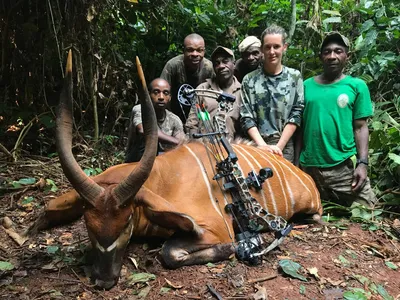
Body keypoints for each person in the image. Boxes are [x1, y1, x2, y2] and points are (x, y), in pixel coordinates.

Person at [299, 32, 377, 207]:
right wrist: (296, 163)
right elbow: (299, 127)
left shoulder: (356, 86)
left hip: (342, 167)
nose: (332, 56)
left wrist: (363, 164)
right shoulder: (305, 86)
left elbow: (360, 127)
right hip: (309, 167)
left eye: (338, 51)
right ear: (321, 57)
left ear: (346, 56)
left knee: (368, 209)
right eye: (327, 52)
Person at [240, 25, 304, 163]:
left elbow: (296, 113)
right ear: (262, 49)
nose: (272, 51)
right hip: (256, 145)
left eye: (276, 46)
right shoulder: (249, 80)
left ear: (284, 47)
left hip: (285, 146)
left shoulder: (294, 77)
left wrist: (278, 147)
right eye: (267, 47)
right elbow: (246, 117)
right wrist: (262, 146)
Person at [185, 46, 242, 140]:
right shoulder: (202, 89)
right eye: (217, 63)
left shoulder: (242, 92)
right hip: (204, 147)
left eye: (225, 61)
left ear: (234, 64)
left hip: (232, 147)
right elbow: (192, 124)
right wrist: (194, 147)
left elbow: (245, 126)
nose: (221, 66)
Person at [125, 78, 185, 163]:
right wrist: (175, 141)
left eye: (165, 93)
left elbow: (181, 142)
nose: (161, 97)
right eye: (156, 92)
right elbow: (144, 130)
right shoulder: (140, 110)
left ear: (170, 98)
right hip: (136, 163)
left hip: (162, 164)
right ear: (149, 95)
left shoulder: (174, 119)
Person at [160, 33, 214, 124]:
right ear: (183, 51)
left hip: (200, 114)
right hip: (174, 114)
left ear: (204, 51)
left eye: (199, 50)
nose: (195, 54)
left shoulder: (209, 68)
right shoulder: (173, 65)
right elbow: (162, 92)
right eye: (190, 50)